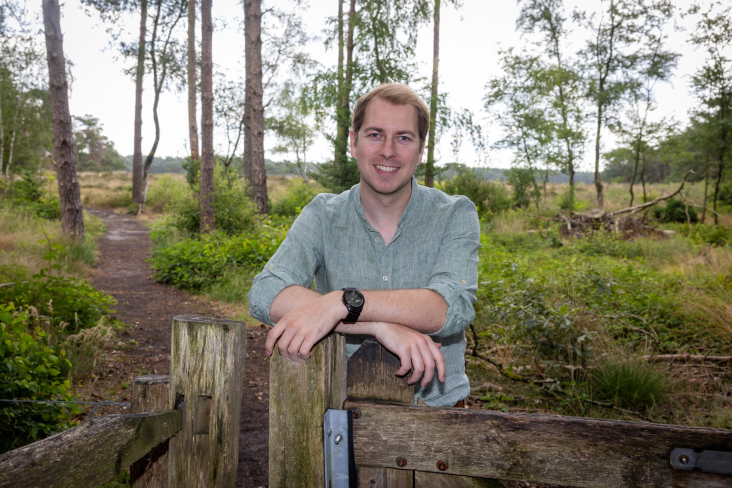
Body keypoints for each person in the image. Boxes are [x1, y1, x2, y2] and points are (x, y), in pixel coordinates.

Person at [248, 83, 480, 407]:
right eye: (374, 134)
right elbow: (266, 293)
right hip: (339, 410)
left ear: (421, 148)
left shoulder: (455, 213)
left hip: (437, 416)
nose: (388, 150)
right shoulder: (323, 214)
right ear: (353, 143)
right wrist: (373, 321)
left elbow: (450, 307)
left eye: (403, 137)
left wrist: (339, 305)